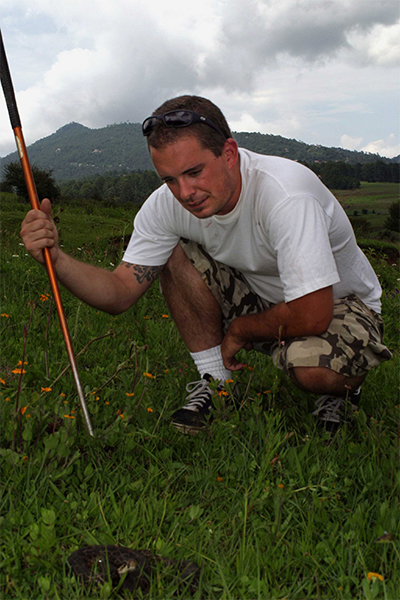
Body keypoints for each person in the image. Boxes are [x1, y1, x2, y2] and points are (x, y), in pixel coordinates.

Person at [21, 95, 391, 434]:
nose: (185, 193)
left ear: (228, 153)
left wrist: (240, 331)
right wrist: (57, 258)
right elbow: (119, 293)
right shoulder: (167, 205)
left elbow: (312, 314)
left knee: (312, 372)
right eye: (169, 179)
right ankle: (217, 383)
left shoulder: (285, 194)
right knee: (174, 251)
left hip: (338, 305)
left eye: (194, 172)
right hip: (266, 297)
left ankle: (343, 389)